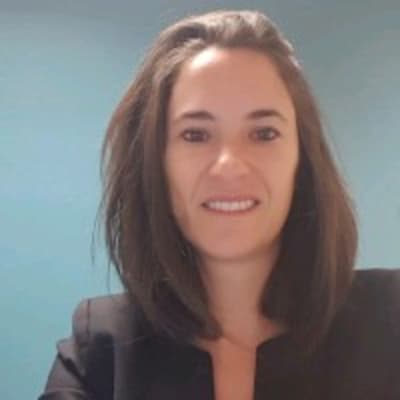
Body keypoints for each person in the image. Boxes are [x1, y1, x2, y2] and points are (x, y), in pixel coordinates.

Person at [38, 9, 400, 400]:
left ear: (302, 159)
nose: (229, 164)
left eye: (264, 133)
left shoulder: (390, 317)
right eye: (195, 135)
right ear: (156, 164)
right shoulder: (100, 346)